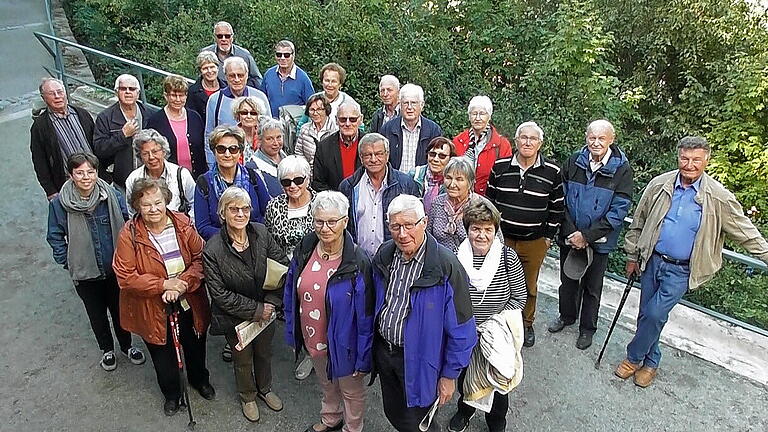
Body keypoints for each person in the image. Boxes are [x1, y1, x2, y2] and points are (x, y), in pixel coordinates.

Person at [615, 136, 768, 388]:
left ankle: (633, 357)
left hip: (682, 269)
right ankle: (652, 362)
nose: (689, 165)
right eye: (685, 158)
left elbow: (745, 232)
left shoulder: (718, 197)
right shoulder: (659, 184)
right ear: (678, 158)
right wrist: (633, 255)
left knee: (654, 314)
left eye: (696, 159)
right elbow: (638, 221)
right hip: (651, 260)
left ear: (706, 160)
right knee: (647, 315)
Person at [372, 194, 476, 432]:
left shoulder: (445, 265)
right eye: (396, 226)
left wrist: (449, 376)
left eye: (409, 225)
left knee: (419, 420)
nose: (402, 233)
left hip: (421, 360)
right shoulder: (386, 254)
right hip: (386, 353)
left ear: (425, 223)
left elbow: (463, 331)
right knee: (394, 411)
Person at [113, 177, 214, 416]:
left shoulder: (182, 223)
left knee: (195, 343)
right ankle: (172, 394)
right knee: (162, 353)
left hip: (188, 297)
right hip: (152, 307)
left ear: (166, 201)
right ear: (137, 206)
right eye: (146, 204)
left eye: (157, 202)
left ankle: (199, 380)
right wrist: (162, 285)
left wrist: (181, 285)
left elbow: (201, 258)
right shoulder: (129, 234)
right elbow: (125, 276)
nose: (153, 209)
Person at [284, 191, 374, 432]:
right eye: (319, 221)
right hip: (314, 338)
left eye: (332, 221)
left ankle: (352, 428)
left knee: (351, 391)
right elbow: (292, 289)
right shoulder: (305, 247)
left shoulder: (357, 261)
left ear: (345, 221)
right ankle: (331, 419)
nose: (325, 228)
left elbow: (366, 316)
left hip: (346, 344)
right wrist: (292, 331)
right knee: (326, 384)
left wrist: (363, 355)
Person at [46, 152, 145, 371]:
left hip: (114, 267)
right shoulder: (59, 204)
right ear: (71, 175)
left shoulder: (110, 194)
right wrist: (68, 261)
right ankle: (107, 349)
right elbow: (54, 236)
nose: (86, 177)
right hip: (85, 272)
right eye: (79, 173)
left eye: (90, 172)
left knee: (121, 310)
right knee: (96, 313)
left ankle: (127, 346)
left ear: (96, 171)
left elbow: (127, 224)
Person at [203, 186, 289, 422]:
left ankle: (265, 389)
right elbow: (219, 294)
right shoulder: (212, 249)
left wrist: (270, 303)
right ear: (223, 213)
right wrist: (256, 310)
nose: (240, 214)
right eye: (233, 209)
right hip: (235, 317)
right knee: (242, 360)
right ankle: (248, 396)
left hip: (267, 310)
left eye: (245, 208)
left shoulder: (261, 233)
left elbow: (281, 266)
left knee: (264, 354)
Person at [548, 120, 634, 350]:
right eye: (592, 138)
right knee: (567, 281)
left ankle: (587, 328)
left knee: (592, 287)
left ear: (611, 140)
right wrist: (570, 232)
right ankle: (566, 316)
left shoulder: (622, 169)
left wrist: (586, 236)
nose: (596, 143)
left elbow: (619, 210)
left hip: (599, 242)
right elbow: (560, 197)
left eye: (601, 139)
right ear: (586, 138)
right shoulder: (574, 161)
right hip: (570, 234)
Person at [447, 196, 526, 432]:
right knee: (465, 377)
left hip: (496, 331)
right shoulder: (454, 258)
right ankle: (465, 411)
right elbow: (448, 295)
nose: (481, 235)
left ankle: (497, 421)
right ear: (467, 230)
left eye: (487, 230)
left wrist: (493, 325)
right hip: (464, 331)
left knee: (499, 381)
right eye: (476, 229)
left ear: (495, 231)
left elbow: (519, 297)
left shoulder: (507, 257)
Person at [486, 121, 564, 347]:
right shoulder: (499, 167)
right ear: (516, 141)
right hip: (502, 239)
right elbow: (489, 202)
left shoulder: (552, 172)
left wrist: (548, 237)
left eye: (533, 139)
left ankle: (526, 323)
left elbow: (557, 207)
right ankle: (497, 320)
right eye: (523, 137)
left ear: (540, 143)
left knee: (528, 285)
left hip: (534, 241)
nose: (527, 142)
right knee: (498, 281)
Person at [338, 133, 420, 257]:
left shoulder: (405, 184)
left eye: (378, 154)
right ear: (361, 157)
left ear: (387, 155)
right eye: (368, 155)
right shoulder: (348, 186)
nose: (373, 159)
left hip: (394, 258)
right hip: (358, 259)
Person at [31, 78, 104, 200]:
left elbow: (97, 144)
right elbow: (39, 161)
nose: (57, 96)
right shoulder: (40, 126)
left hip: (96, 179)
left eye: (60, 92)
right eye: (51, 94)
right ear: (44, 98)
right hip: (67, 184)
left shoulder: (82, 114)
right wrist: (50, 191)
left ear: (65, 93)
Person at [194, 125, 270, 241]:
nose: (227, 154)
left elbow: (267, 213)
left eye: (233, 149)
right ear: (214, 151)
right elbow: (203, 226)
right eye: (221, 149)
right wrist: (232, 237)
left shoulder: (253, 177)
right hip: (221, 246)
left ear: (240, 151)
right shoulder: (204, 183)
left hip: (255, 241)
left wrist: (249, 235)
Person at [205, 57, 271, 169]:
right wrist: (212, 164)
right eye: (232, 75)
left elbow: (269, 130)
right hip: (226, 164)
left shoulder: (260, 97)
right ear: (226, 76)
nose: (236, 79)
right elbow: (209, 135)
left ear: (247, 75)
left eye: (240, 75)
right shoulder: (215, 100)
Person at [93, 74, 153, 192]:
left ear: (138, 93)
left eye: (132, 89)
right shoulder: (105, 118)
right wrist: (122, 135)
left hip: (149, 180)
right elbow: (100, 150)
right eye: (123, 89)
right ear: (116, 92)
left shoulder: (149, 114)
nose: (127, 92)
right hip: (121, 184)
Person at [125, 129, 196, 220]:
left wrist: (187, 225)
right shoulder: (133, 179)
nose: (151, 157)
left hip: (179, 229)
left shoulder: (181, 174)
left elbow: (195, 203)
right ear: (140, 156)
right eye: (145, 154)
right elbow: (132, 212)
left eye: (155, 152)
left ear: (164, 151)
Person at [147, 75, 207, 179]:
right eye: (174, 95)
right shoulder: (155, 121)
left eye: (181, 95)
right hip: (169, 177)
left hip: (198, 176)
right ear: (166, 96)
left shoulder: (195, 117)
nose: (178, 99)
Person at [452, 96, 512, 196]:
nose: (478, 118)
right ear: (469, 116)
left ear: (489, 116)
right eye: (474, 114)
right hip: (460, 198)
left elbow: (506, 177)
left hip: (488, 200)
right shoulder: (458, 141)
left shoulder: (502, 144)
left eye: (482, 114)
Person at [380, 83, 443, 173]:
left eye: (414, 103)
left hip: (421, 184)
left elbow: (439, 161)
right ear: (400, 105)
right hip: (394, 183)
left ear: (422, 105)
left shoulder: (433, 130)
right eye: (405, 103)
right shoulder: (387, 129)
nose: (409, 107)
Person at [265, 155, 316, 257]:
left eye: (298, 180)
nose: (292, 186)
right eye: (286, 182)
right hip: (283, 268)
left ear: (307, 179)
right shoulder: (274, 206)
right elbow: (269, 243)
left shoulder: (321, 204)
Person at [427, 157, 476, 254]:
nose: (452, 184)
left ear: (470, 182)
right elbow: (427, 237)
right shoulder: (437, 203)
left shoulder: (480, 205)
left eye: (459, 179)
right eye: (448, 178)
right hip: (440, 262)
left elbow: (496, 242)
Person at [311, 101, 364, 192]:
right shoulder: (323, 147)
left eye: (352, 119)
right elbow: (318, 183)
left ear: (361, 120)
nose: (347, 124)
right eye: (343, 119)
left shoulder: (370, 145)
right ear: (336, 120)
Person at [261, 40, 315, 118]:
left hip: (294, 126)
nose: (282, 58)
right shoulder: (269, 75)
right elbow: (262, 101)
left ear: (293, 56)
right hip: (272, 124)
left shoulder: (303, 78)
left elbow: (311, 105)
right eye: (279, 54)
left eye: (286, 55)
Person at [201, 21, 263, 88]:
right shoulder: (205, 53)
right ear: (215, 38)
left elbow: (257, 79)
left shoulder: (244, 55)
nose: (224, 39)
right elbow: (201, 78)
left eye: (227, 36)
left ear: (232, 37)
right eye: (220, 36)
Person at [295, 93, 338, 174]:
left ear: (326, 110)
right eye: (312, 110)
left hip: (329, 175)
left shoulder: (335, 130)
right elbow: (299, 153)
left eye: (319, 109)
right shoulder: (304, 129)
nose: (315, 113)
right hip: (308, 174)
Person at [410, 137, 455, 214]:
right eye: (432, 154)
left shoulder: (454, 181)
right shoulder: (414, 175)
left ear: (450, 158)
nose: (436, 159)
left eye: (442, 156)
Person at [251, 119, 288, 197]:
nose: (275, 143)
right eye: (269, 139)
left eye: (278, 137)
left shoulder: (288, 160)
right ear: (260, 140)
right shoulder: (252, 167)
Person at [187, 51, 226, 125]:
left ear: (217, 67)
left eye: (212, 67)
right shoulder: (192, 92)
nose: (209, 71)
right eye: (205, 68)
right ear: (200, 71)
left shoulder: (227, 88)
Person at [232, 96, 268, 166]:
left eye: (253, 113)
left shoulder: (264, 134)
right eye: (244, 113)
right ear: (238, 115)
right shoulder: (232, 136)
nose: (248, 116)